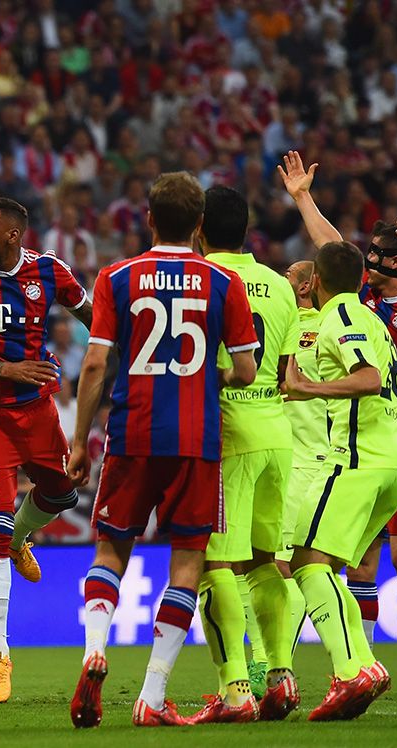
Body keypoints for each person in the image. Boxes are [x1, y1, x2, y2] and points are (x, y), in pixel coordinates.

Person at [66, 172, 259, 728]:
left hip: (133, 434)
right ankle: (151, 696)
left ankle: (94, 651)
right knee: (188, 564)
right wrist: (208, 377)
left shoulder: (117, 277)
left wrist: (80, 441)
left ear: (148, 217)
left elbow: (97, 362)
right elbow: (245, 369)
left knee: (110, 552)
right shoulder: (225, 283)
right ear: (199, 225)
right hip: (196, 442)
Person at [280, 150, 397, 702]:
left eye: (384, 256)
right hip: (354, 446)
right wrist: (303, 198)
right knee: (357, 562)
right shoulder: (362, 301)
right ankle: (364, 664)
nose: (372, 262)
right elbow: (334, 253)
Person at [0, 196, 93, 702]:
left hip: (39, 411)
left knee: (62, 493)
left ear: (13, 234)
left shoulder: (48, 271)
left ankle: (19, 537)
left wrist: (120, 354)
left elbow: (98, 319)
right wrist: (9, 370)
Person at [281, 241, 397, 721]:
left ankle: (348, 672)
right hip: (394, 461)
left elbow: (369, 379)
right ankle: (366, 665)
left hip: (359, 460)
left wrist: (308, 389)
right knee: (328, 569)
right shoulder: (370, 316)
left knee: (306, 563)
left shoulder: (342, 319)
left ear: (315, 282)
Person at [190, 185, 301, 723]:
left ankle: (234, 685)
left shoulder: (203, 282)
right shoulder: (281, 287)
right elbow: (284, 374)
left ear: (200, 228)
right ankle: (281, 675)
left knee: (215, 564)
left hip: (226, 434)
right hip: (278, 433)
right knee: (264, 564)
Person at [277, 260, 330, 658]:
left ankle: (278, 668)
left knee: (284, 567)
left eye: (288, 276)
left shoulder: (318, 328)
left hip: (306, 459)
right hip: (285, 457)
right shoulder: (285, 323)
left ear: (306, 286)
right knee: (298, 566)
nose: (282, 280)